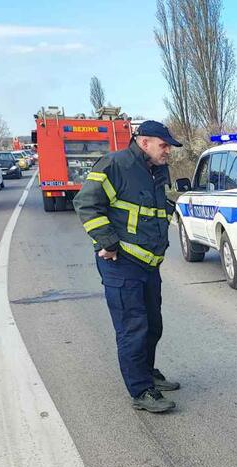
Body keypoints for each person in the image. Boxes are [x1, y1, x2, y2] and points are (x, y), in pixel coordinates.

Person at [74, 120, 182, 414]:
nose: (168, 151)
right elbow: (86, 203)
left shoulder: (157, 170)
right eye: (164, 145)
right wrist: (107, 241)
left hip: (149, 265)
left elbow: (153, 208)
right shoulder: (115, 164)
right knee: (133, 329)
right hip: (122, 265)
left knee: (152, 326)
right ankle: (140, 390)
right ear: (144, 141)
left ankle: (147, 374)